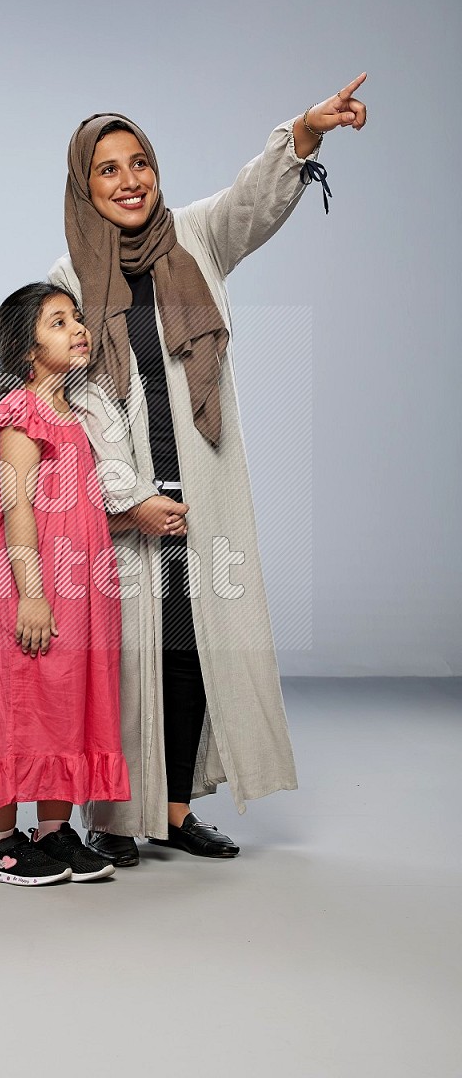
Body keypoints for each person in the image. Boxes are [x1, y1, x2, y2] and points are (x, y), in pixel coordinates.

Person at [49, 75, 368, 867]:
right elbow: (82, 403)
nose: (129, 181)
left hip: (206, 493)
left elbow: (252, 201)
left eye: (139, 163)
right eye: (108, 169)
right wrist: (130, 500)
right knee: (126, 660)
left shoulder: (194, 237)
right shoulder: (67, 279)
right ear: (84, 185)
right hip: (128, 506)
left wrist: (304, 130)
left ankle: (178, 810)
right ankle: (117, 819)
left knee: (195, 649)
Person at [0, 282, 131, 885]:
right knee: (10, 699)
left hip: (77, 583)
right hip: (29, 581)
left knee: (62, 697)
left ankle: (54, 831)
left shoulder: (74, 415)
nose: (77, 329)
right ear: (26, 349)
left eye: (76, 319)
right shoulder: (22, 412)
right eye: (57, 322)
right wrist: (32, 592)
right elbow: (18, 506)